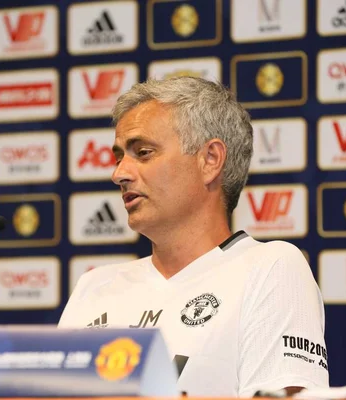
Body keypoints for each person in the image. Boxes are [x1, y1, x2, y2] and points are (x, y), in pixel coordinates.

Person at [58, 77, 329, 397]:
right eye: (120, 157)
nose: (119, 173)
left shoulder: (269, 267)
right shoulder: (94, 286)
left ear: (210, 160)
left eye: (143, 152)